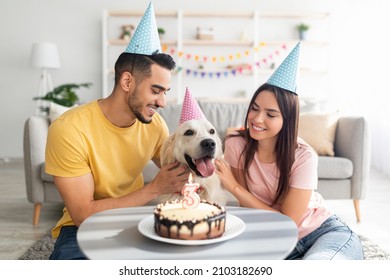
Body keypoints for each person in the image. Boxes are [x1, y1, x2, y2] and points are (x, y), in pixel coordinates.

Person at [45, 2, 190, 260]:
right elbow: (82, 214)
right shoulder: (69, 129)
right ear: (127, 81)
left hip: (134, 218)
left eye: (165, 92)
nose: (163, 102)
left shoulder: (154, 124)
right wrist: (153, 189)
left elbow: (178, 172)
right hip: (79, 229)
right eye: (156, 90)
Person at [215, 42, 363, 260]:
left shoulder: (303, 156)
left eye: (271, 114)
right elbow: (248, 208)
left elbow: (288, 222)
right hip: (275, 240)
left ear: (288, 119)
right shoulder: (236, 144)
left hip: (321, 233)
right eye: (254, 108)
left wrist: (234, 187)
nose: (257, 119)